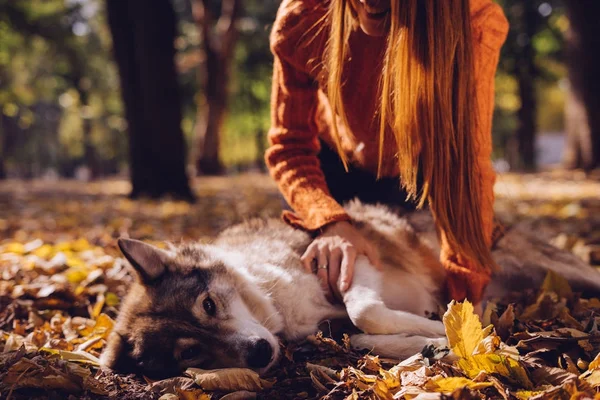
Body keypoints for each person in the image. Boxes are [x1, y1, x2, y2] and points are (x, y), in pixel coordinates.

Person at [265, 0, 509, 307]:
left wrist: (464, 296)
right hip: (329, 168)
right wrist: (326, 219)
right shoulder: (304, 16)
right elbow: (290, 146)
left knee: (427, 279)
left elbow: (465, 166)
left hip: (414, 174)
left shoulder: (474, 22)